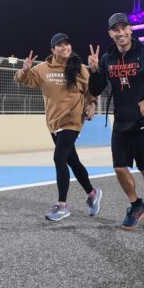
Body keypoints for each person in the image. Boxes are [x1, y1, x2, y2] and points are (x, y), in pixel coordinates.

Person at [88, 13, 144, 231]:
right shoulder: (107, 58)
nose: (120, 33)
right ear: (110, 34)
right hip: (121, 122)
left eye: (123, 28)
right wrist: (94, 71)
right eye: (115, 30)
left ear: (130, 29)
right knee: (119, 168)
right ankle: (136, 205)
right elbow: (96, 89)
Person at [15, 32, 103, 221]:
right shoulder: (42, 69)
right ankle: (92, 193)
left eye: (67, 44)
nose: (65, 48)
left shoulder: (79, 68)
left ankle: (62, 205)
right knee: (72, 161)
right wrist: (24, 70)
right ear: (53, 50)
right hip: (54, 122)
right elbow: (22, 80)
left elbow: (90, 90)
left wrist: (92, 104)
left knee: (59, 158)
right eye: (60, 45)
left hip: (73, 119)